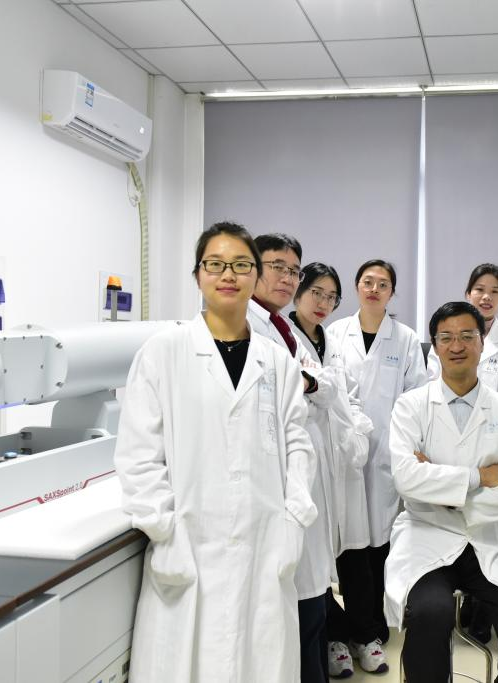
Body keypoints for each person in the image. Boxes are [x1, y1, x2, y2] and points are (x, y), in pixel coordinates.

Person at [115, 221, 316, 682]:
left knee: (260, 662)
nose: (228, 274)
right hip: (188, 546)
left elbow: (298, 445)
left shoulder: (277, 361)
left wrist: (293, 521)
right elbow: (139, 456)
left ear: (256, 275)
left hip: (265, 543)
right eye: (215, 264)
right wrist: (165, 531)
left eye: (242, 265)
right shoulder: (163, 352)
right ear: (198, 275)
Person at [386, 301, 498, 683]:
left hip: (493, 539)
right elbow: (407, 479)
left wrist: (442, 491)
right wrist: (479, 477)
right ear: (434, 346)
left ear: (482, 342)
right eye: (446, 337)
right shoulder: (411, 407)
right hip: (427, 536)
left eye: (466, 336)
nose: (456, 345)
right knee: (430, 614)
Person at [326, 259, 429, 674]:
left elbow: (417, 395)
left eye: (382, 284)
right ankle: (355, 627)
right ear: (356, 287)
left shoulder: (405, 339)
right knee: (348, 545)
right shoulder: (335, 334)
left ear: (392, 292)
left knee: (379, 547)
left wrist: (411, 448)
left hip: (387, 454)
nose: (374, 289)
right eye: (367, 281)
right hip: (345, 454)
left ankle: (368, 626)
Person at [247, 234, 341, 683]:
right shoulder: (247, 326)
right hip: (276, 479)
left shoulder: (282, 329)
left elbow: (326, 386)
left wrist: (308, 382)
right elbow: (292, 389)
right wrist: (307, 382)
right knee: (297, 608)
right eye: (277, 267)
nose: (287, 278)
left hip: (302, 471)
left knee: (313, 604)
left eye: (293, 270)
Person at [290, 262, 375, 679]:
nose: (323, 303)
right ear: (298, 291)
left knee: (349, 555)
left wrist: (359, 430)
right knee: (313, 566)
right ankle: (332, 641)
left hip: (342, 459)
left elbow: (346, 394)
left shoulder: (333, 341)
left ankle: (353, 637)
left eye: (331, 297)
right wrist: (319, 390)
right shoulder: (283, 338)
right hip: (308, 459)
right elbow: (307, 392)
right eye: (316, 293)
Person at [428, 263, 498, 399]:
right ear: (468, 294)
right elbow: (433, 385)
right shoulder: (444, 334)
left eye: (495, 291)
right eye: (480, 289)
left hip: (495, 412)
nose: (487, 297)